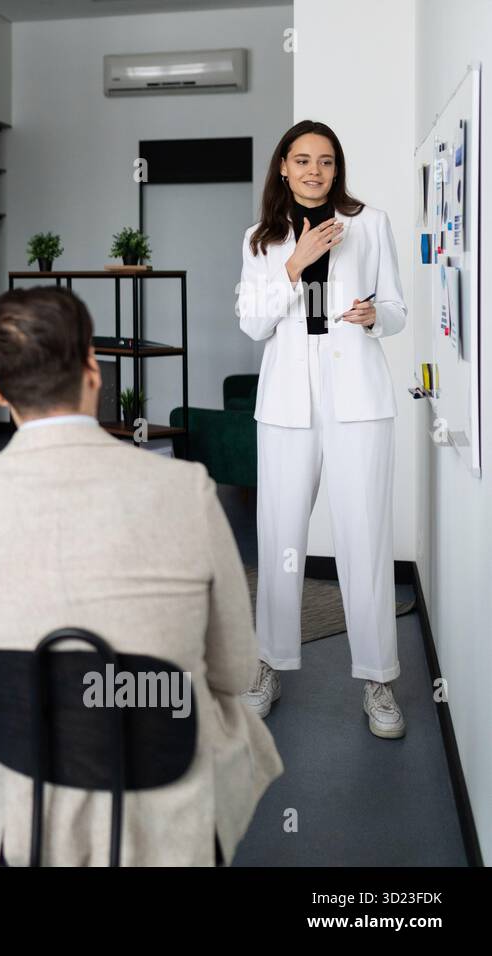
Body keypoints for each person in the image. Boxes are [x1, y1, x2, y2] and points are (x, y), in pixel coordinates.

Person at [0, 287, 282, 866]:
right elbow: (237, 669)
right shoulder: (186, 490)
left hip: (30, 814)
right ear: (95, 369)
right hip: (171, 813)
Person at [235, 120, 407, 738]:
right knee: (280, 535)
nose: (315, 170)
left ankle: (379, 679)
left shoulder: (371, 224)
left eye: (326, 161)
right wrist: (294, 265)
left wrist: (373, 315)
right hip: (287, 403)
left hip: (357, 399)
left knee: (364, 535)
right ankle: (268, 665)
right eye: (302, 160)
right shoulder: (261, 239)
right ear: (283, 166)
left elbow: (397, 310)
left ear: (337, 169)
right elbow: (253, 324)